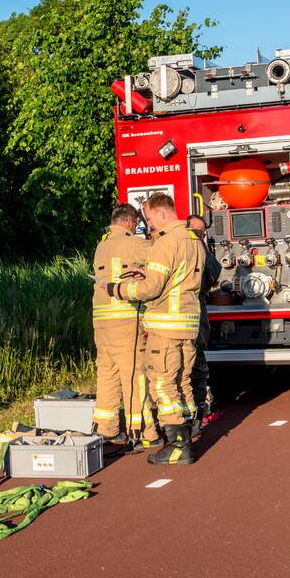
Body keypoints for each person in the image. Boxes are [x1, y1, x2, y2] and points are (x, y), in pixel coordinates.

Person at [103, 193, 204, 465]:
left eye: (148, 218)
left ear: (161, 214)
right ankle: (189, 431)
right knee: (182, 381)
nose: (148, 225)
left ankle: (177, 445)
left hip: (165, 325)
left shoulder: (165, 243)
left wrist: (119, 289)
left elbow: (151, 288)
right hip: (188, 324)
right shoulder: (193, 240)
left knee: (162, 383)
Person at [90, 203, 158, 448]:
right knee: (134, 375)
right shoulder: (133, 243)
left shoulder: (102, 244)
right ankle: (141, 431)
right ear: (129, 222)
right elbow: (161, 257)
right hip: (125, 319)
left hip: (102, 322)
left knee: (107, 373)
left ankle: (106, 429)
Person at [186, 213, 221, 429]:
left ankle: (199, 413)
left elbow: (213, 272)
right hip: (180, 320)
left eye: (201, 231)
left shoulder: (201, 251)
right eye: (194, 230)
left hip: (194, 318)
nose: (198, 234)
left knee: (197, 366)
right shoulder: (179, 248)